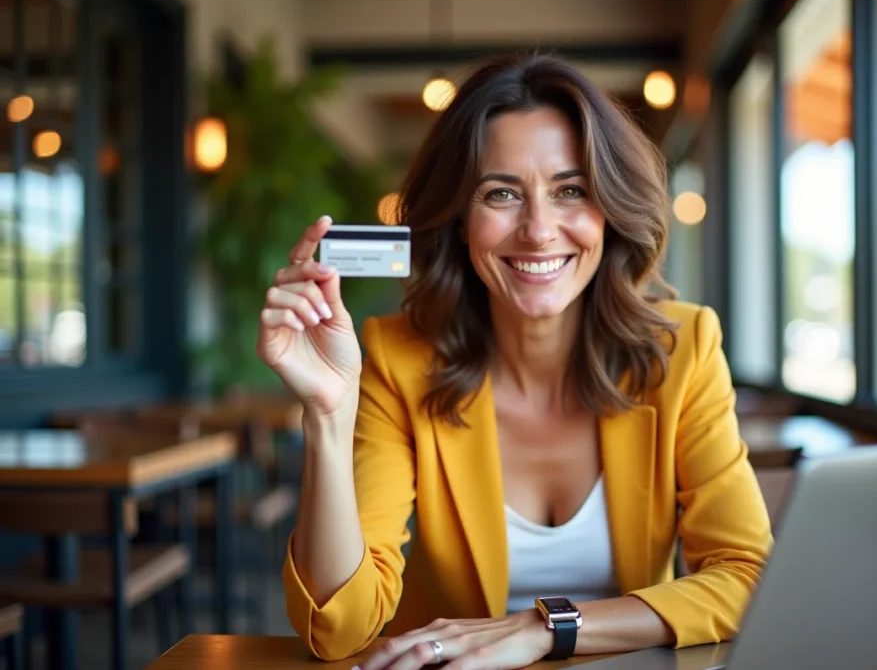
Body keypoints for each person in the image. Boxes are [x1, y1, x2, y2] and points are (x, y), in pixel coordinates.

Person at [257, 54, 772, 669]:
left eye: (570, 191)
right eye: (501, 193)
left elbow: (748, 578)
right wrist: (327, 414)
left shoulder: (683, 349)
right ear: (459, 220)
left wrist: (545, 627)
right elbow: (338, 629)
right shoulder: (400, 360)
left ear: (610, 209)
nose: (537, 230)